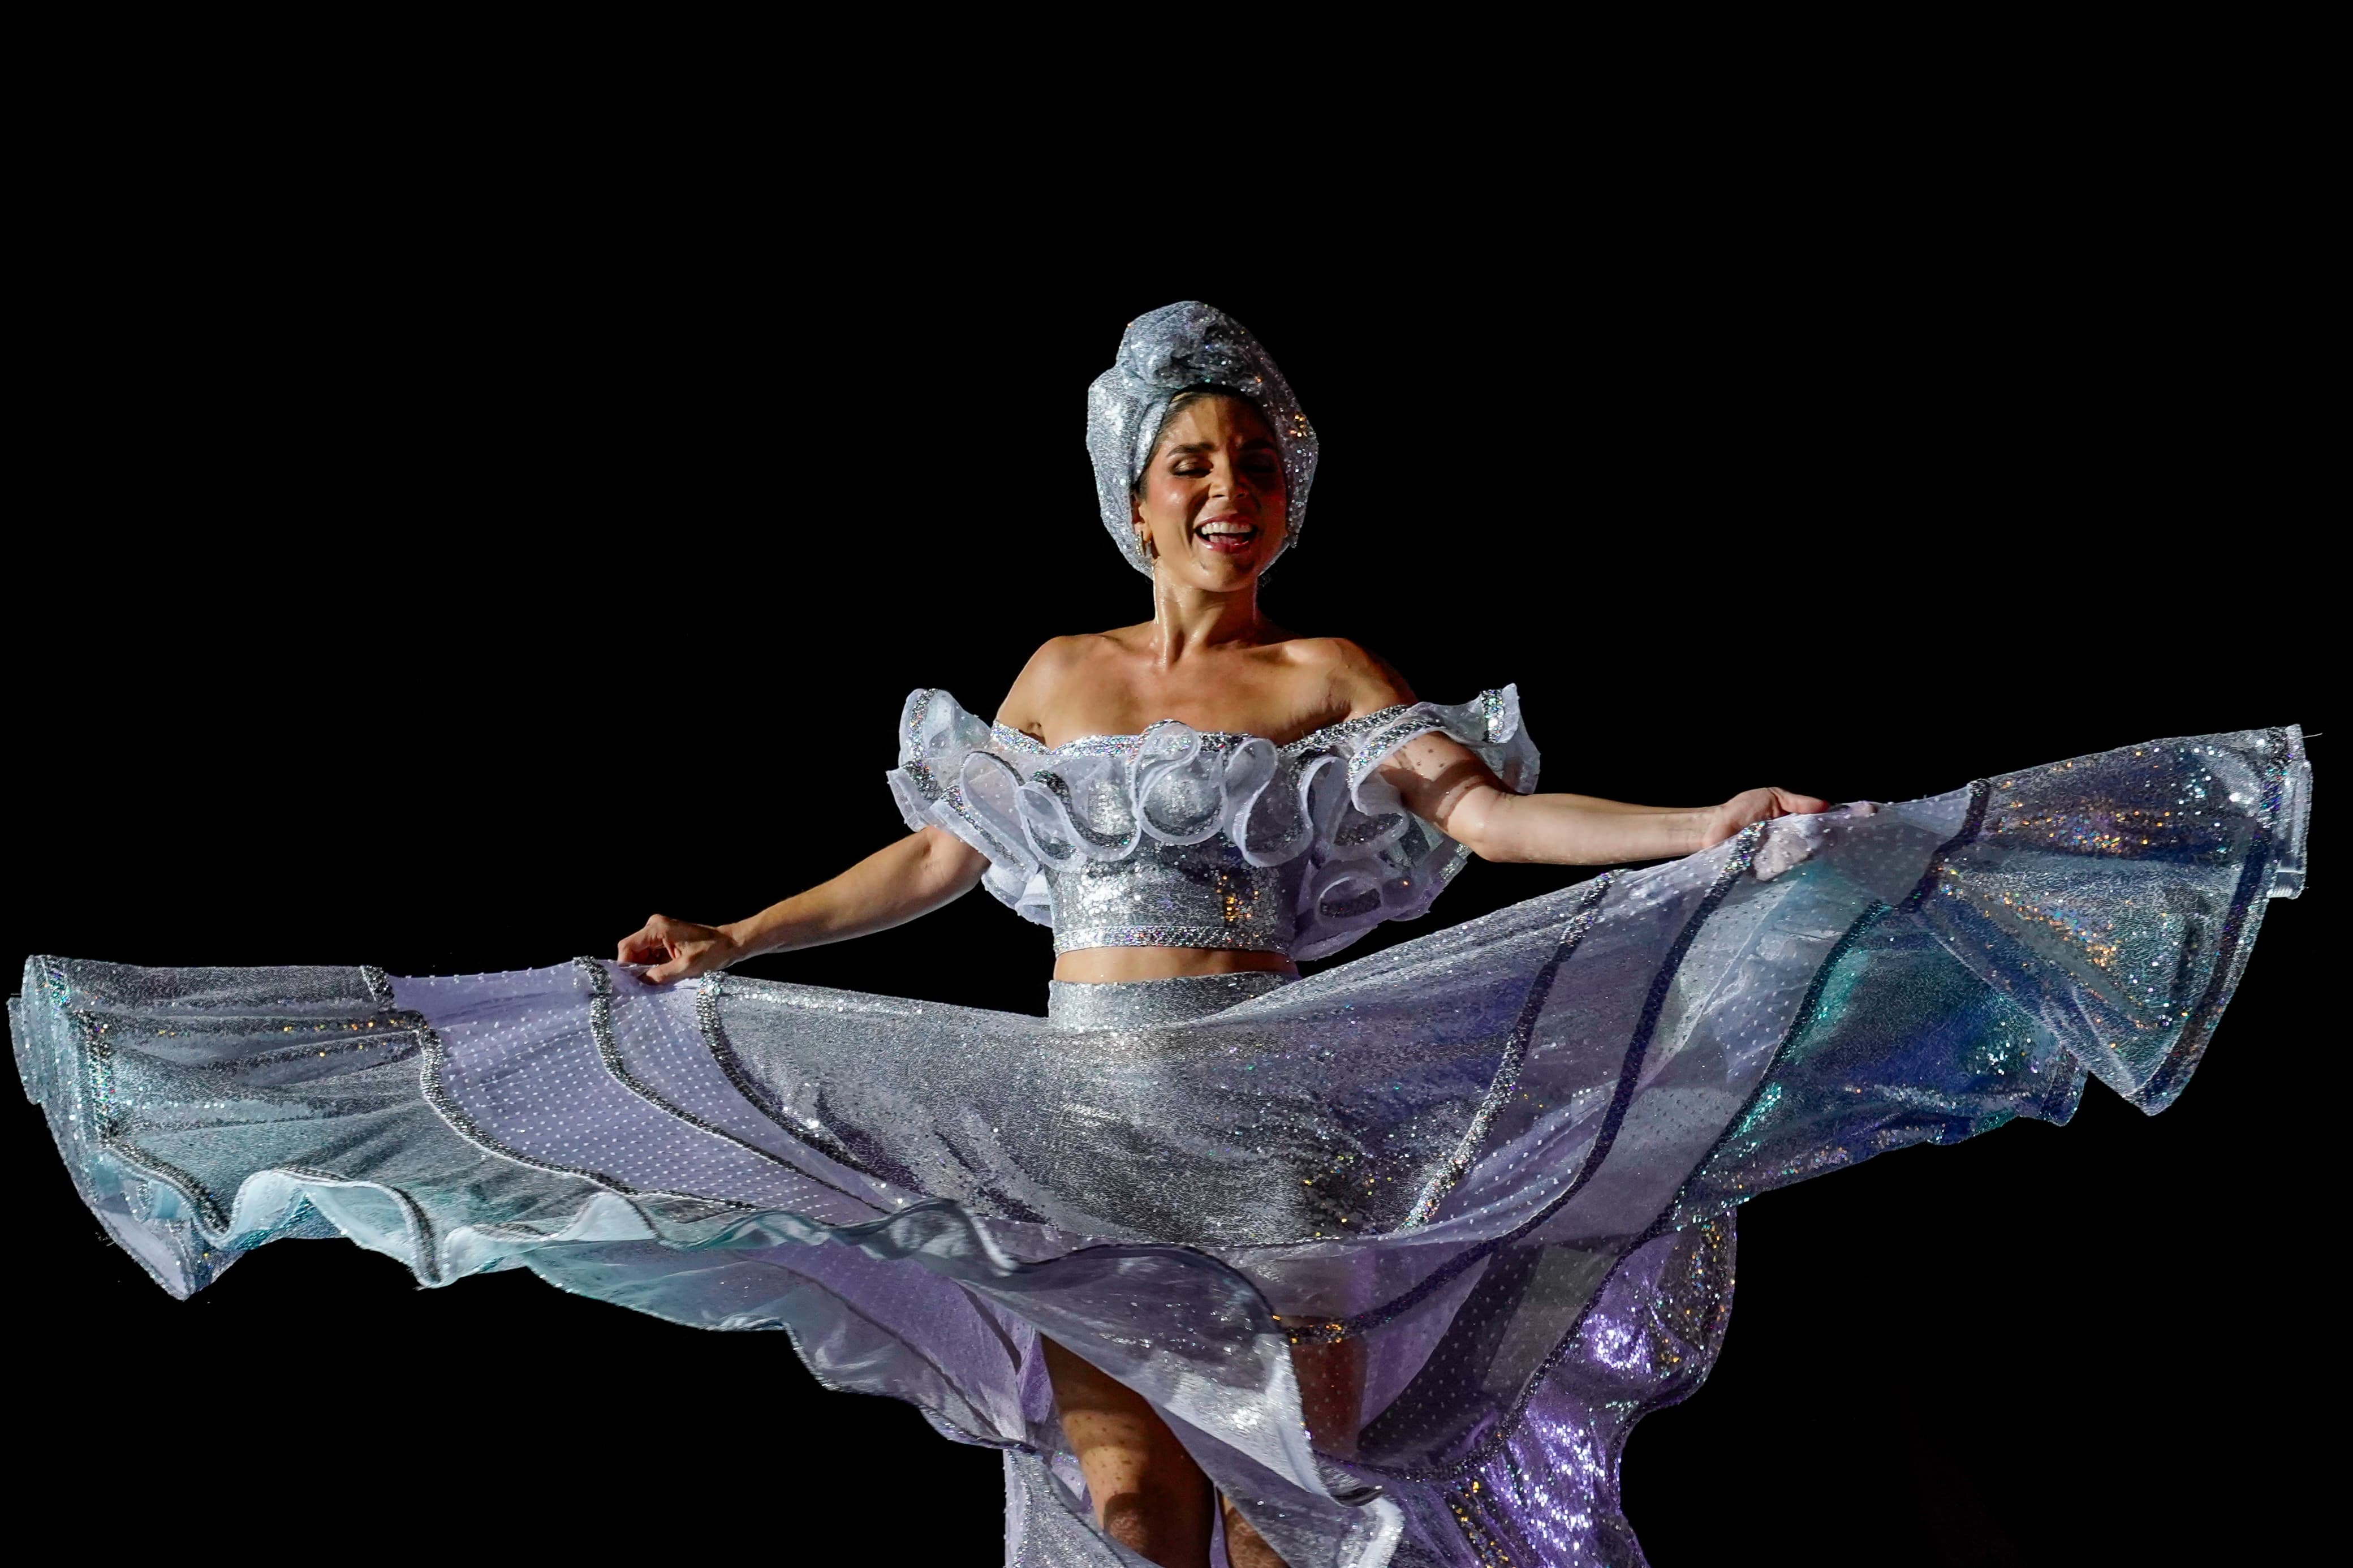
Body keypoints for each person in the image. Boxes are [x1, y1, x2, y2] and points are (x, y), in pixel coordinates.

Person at [12, 303, 2312, 1568]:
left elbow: (1493, 817)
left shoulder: (1327, 682)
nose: (1229, 491)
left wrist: (1700, 823)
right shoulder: (1049, 678)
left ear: (1287, 495)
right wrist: (740, 927)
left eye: (1259, 463)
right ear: (1135, 493)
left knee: (1290, 1472)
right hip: (1060, 1105)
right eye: (1191, 463)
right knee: (1115, 1485)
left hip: (1267, 1116)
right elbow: (929, 867)